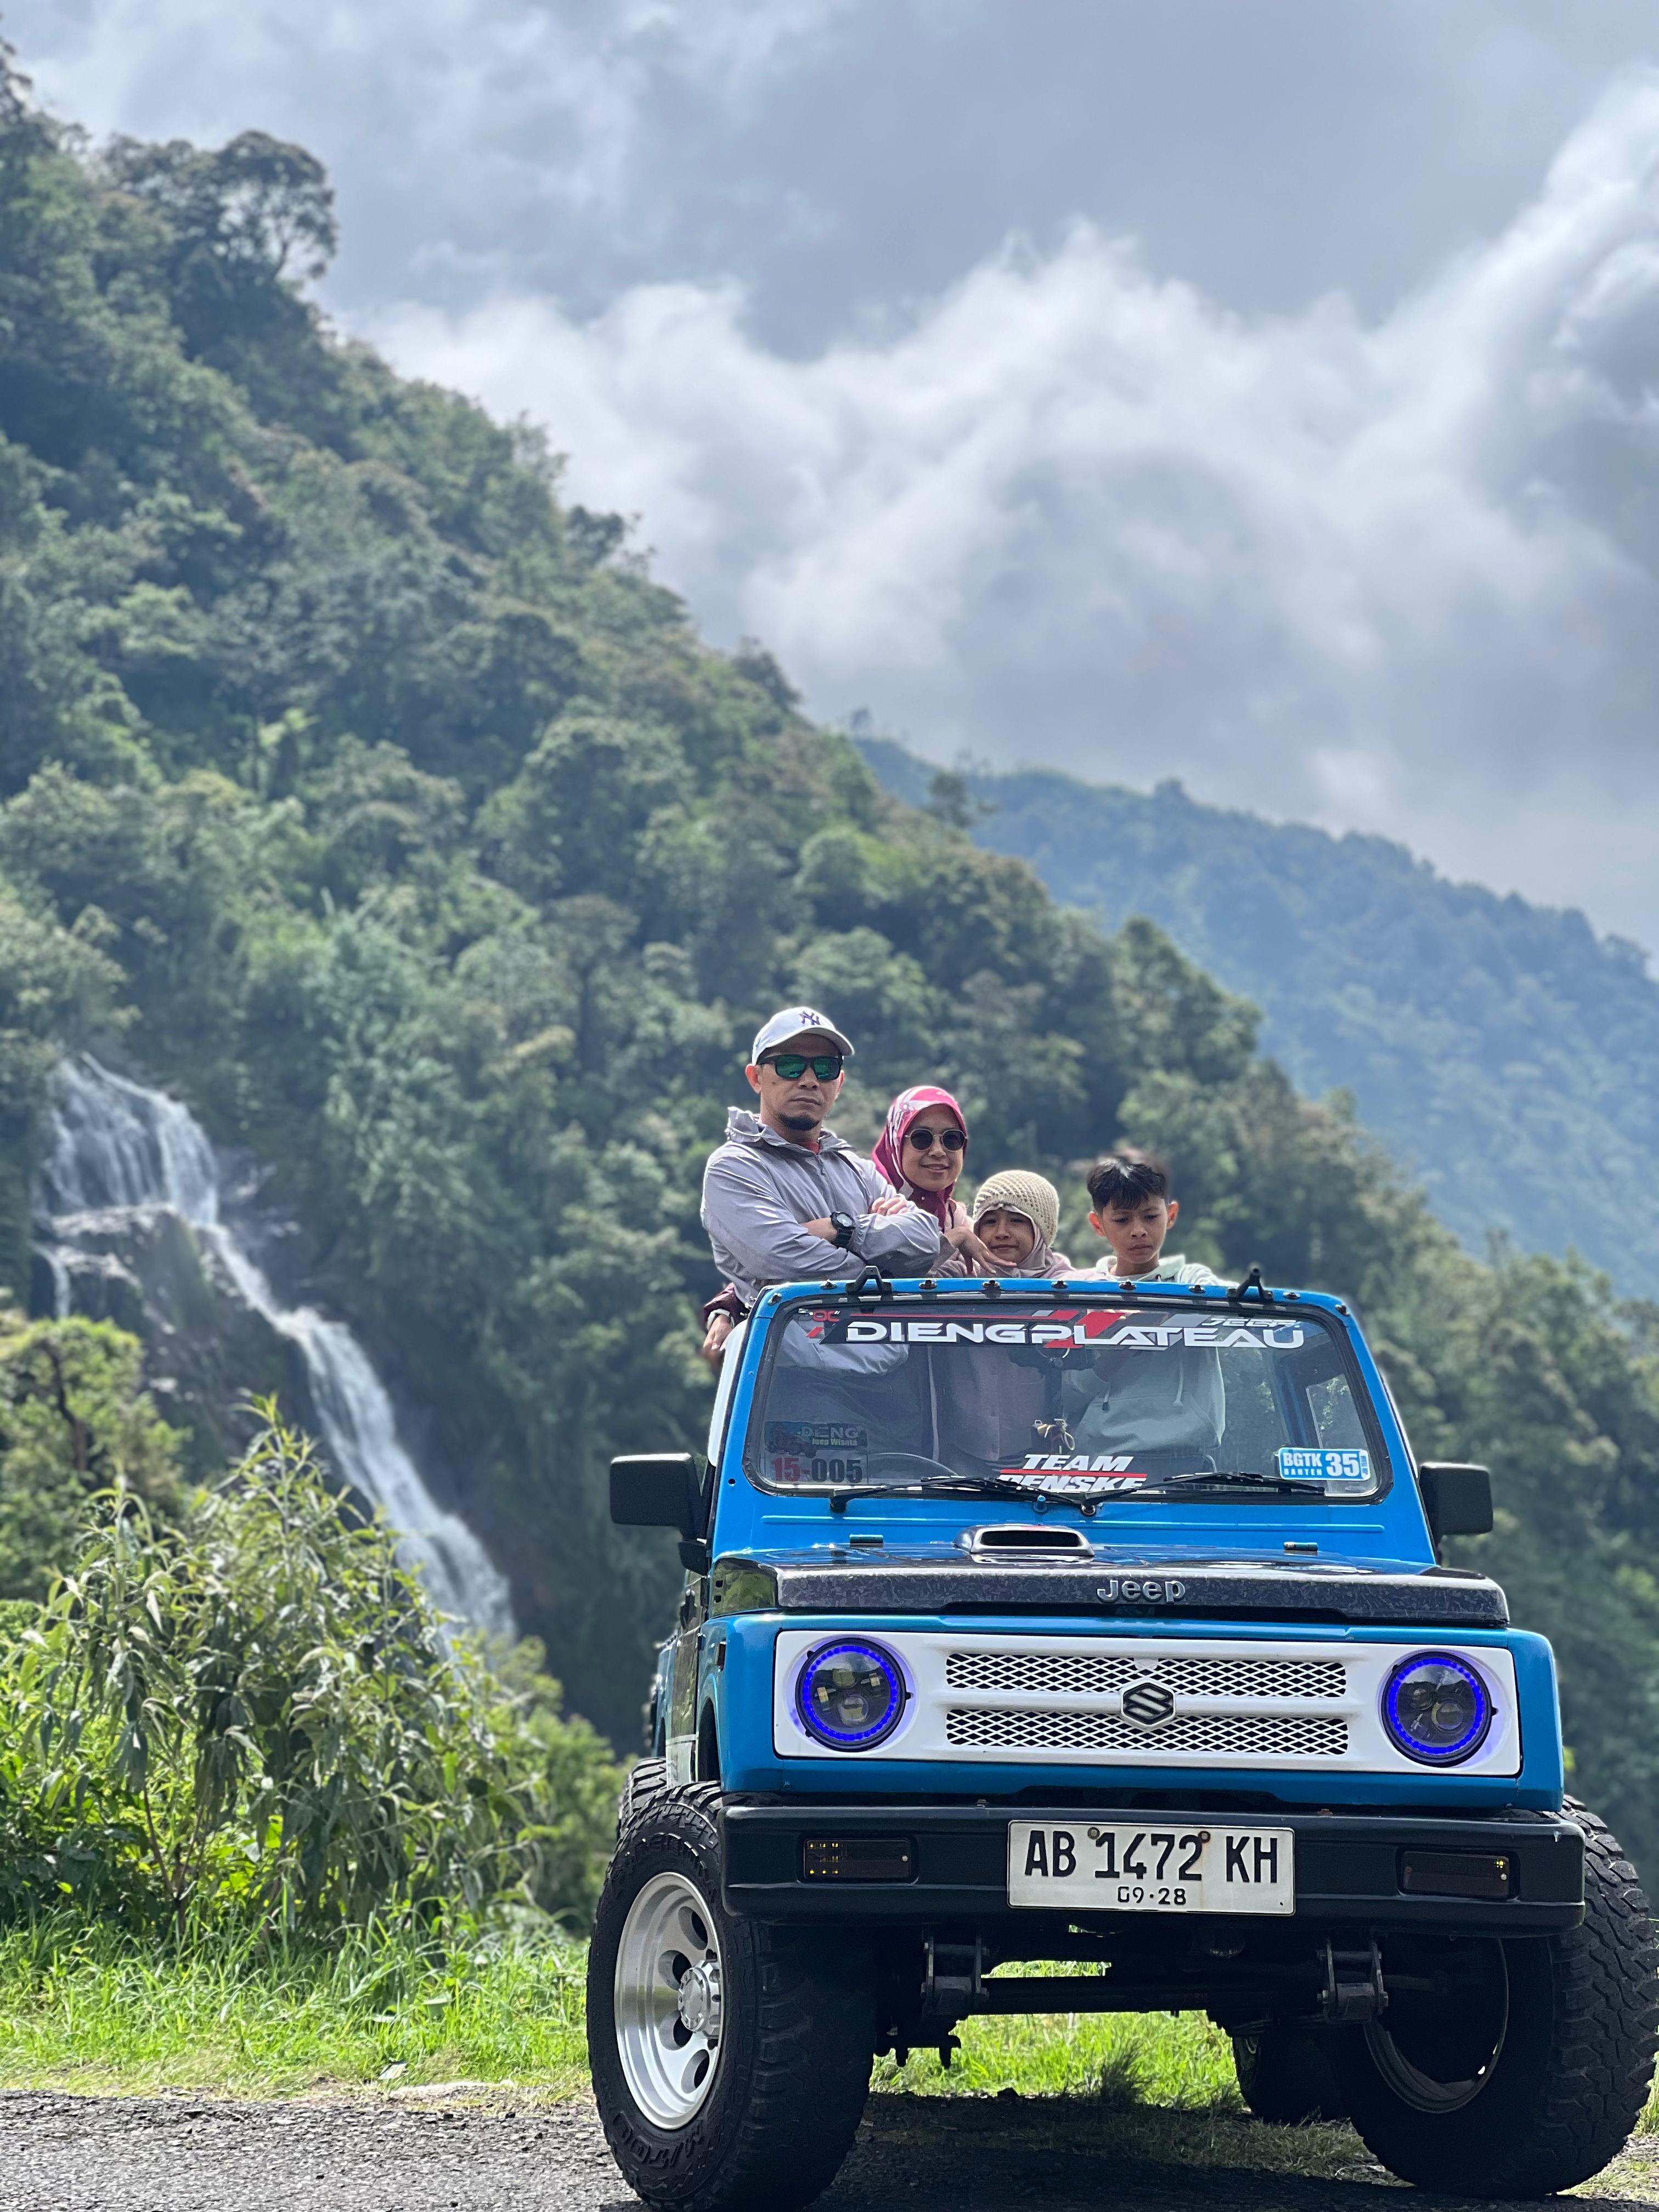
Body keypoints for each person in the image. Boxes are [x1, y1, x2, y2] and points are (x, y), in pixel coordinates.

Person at [699, 1008, 944, 1325]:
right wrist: (884, 1274)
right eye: (790, 1066)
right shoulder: (735, 1167)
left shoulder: (858, 1170)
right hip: (789, 1368)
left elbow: (925, 1240)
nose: (810, 1081)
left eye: (826, 1068)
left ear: (839, 1083)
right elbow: (783, 1260)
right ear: (756, 1078)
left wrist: (842, 1229)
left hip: (890, 1368)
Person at [1062, 1151, 1225, 1467]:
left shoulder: (1193, 1280)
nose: (1138, 1230)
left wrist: (1150, 1321)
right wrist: (1117, 1353)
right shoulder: (1080, 1294)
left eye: (1150, 1216)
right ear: (1098, 1224)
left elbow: (1222, 1308)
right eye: (1122, 1220)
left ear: (1171, 1214)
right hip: (1100, 1463)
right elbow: (1065, 1397)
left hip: (1188, 1461)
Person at [869, 1086, 991, 1273]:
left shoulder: (959, 1220)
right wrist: (954, 1239)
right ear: (896, 1142)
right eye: (922, 1138)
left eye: (951, 1139)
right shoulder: (871, 1208)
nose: (938, 1151)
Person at [968, 1169, 1073, 1276]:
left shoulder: (1067, 1285)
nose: (1001, 1233)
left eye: (1016, 1220)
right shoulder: (966, 1271)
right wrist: (957, 1238)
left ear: (1041, 1232)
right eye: (990, 1222)